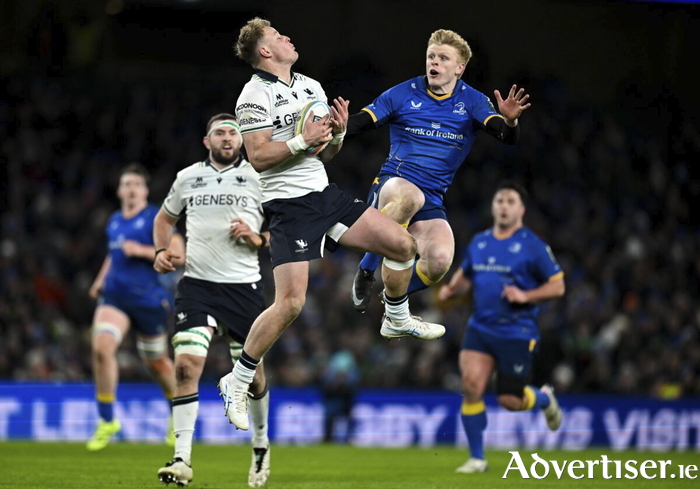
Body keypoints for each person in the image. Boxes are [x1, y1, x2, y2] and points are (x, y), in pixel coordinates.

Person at [218, 17, 445, 432]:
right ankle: (238, 378)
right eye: (278, 36)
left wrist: (336, 135)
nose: (288, 36)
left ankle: (395, 314)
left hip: (324, 195)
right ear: (265, 52)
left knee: (403, 246)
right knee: (290, 303)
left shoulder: (310, 86)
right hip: (289, 207)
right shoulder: (253, 93)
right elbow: (257, 156)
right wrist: (303, 139)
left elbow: (322, 155)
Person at [349, 29, 531, 313]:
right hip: (392, 185)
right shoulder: (402, 93)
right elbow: (362, 122)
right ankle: (366, 269)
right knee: (409, 199)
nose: (434, 62)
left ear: (460, 68)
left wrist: (510, 122)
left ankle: (393, 297)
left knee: (440, 260)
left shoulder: (472, 101)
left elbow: (506, 138)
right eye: (431, 56)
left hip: (432, 196)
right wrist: (336, 128)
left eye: (443, 58)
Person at [153, 114, 272, 488]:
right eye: (220, 132)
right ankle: (182, 459)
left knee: (253, 380)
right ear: (207, 141)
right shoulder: (188, 177)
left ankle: (260, 445)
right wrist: (161, 249)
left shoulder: (259, 178)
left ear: (241, 140)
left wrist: (258, 238)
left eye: (233, 132)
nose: (227, 137)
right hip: (197, 287)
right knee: (187, 367)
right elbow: (164, 219)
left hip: (243, 289)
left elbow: (284, 228)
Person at [437, 181, 565, 473]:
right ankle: (477, 458)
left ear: (521, 209)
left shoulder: (533, 245)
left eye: (510, 201)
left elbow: (558, 286)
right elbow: (467, 274)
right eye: (499, 201)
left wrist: (526, 295)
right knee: (471, 386)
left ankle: (544, 398)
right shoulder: (480, 242)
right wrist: (452, 290)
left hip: (517, 331)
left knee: (510, 400)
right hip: (480, 329)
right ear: (493, 207)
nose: (504, 206)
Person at [86, 163, 185, 451]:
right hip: (115, 296)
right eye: (126, 184)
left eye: (136, 184)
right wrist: (100, 280)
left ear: (144, 190)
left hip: (149, 299)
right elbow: (114, 254)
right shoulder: (114, 220)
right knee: (101, 348)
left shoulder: (155, 217)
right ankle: (107, 421)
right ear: (119, 190)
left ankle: (176, 413)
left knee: (156, 362)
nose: (131, 189)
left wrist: (143, 251)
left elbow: (180, 254)